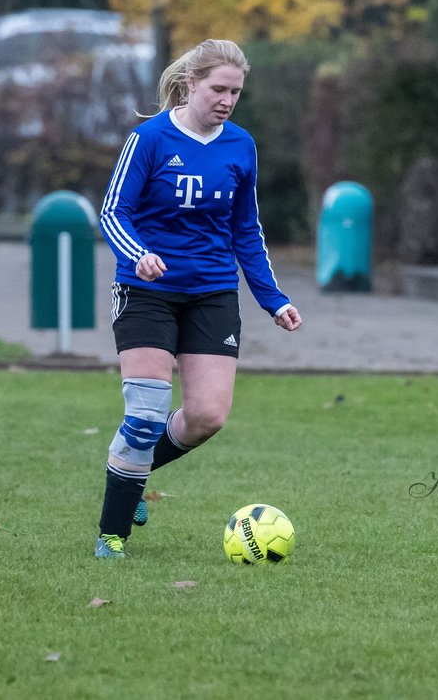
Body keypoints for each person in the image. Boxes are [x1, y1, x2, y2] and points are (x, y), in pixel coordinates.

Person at [93, 39, 302, 558]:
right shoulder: (150, 139)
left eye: (236, 92)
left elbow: (246, 230)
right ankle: (111, 535)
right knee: (145, 414)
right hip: (146, 290)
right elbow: (113, 213)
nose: (227, 100)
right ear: (191, 85)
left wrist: (272, 299)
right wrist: (139, 254)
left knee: (207, 416)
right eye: (218, 89)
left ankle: (133, 472)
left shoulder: (241, 146)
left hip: (211, 293)